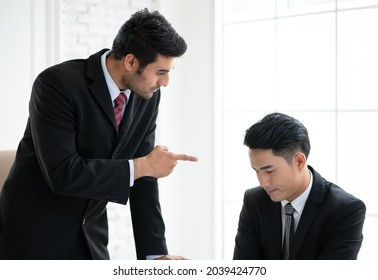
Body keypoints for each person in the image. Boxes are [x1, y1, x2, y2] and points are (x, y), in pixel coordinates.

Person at [0, 8, 198, 260]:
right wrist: (141, 167)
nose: (166, 82)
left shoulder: (147, 96)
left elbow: (144, 175)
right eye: (161, 72)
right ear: (131, 61)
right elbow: (63, 174)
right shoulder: (56, 85)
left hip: (91, 236)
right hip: (33, 237)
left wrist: (155, 254)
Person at [233, 112, 366, 260]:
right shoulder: (254, 201)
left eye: (269, 171)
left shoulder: (345, 210)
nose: (263, 182)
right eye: (256, 171)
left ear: (299, 161)